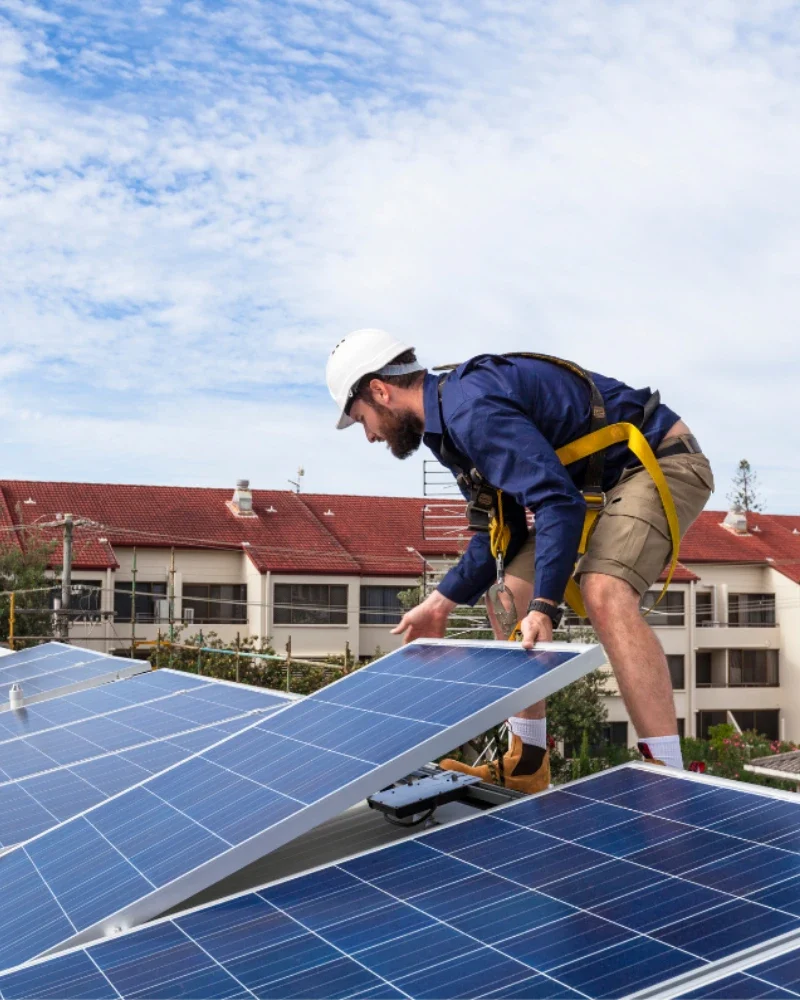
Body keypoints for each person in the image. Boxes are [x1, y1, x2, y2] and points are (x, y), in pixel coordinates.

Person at [326, 329, 714, 793]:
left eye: (362, 419)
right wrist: (440, 604)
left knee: (603, 591)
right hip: (589, 488)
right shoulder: (447, 428)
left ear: (379, 390)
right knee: (508, 594)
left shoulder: (470, 409)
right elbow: (501, 533)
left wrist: (545, 606)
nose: (369, 435)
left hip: (657, 460)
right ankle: (527, 763)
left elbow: (557, 503)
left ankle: (667, 779)